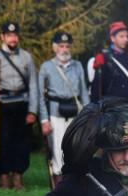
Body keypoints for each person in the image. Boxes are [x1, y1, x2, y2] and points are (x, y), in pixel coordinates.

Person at [0, 21, 39, 190]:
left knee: (21, 144)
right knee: (3, 143)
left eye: (15, 35)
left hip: (22, 104)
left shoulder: (26, 57)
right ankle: (3, 179)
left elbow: (33, 84)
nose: (13, 38)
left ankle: (18, 179)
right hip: (2, 106)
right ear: (2, 36)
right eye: (9, 35)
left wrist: (33, 110)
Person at [38, 31, 89, 185]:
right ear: (55, 48)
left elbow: (84, 92)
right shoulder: (47, 67)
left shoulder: (78, 66)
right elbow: (40, 95)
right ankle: (59, 182)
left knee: (75, 148)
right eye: (61, 46)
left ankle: (73, 180)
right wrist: (44, 119)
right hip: (55, 111)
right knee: (58, 148)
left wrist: (88, 116)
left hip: (75, 111)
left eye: (67, 46)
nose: (65, 49)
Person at [90, 21, 128, 104]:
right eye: (121, 36)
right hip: (111, 108)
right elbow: (96, 87)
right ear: (113, 38)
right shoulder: (104, 58)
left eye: (127, 36)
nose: (126, 39)